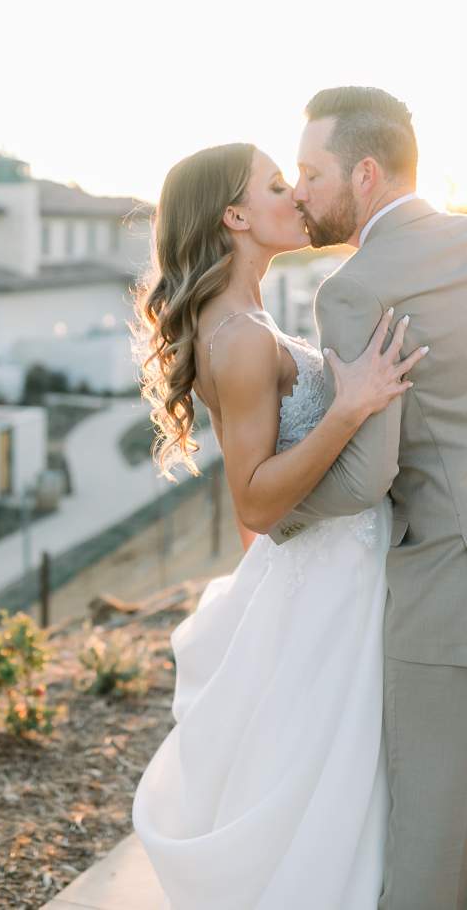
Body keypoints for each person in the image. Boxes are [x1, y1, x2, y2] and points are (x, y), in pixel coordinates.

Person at [130, 139, 426, 909]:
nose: (294, 194)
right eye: (273, 185)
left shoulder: (247, 317)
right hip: (331, 576)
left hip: (320, 574)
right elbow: (254, 501)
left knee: (336, 780)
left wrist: (265, 597)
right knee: (334, 788)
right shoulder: (238, 337)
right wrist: (350, 407)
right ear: (234, 217)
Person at [272, 86, 467, 910]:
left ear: (363, 173)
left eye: (309, 173)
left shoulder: (354, 289)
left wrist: (273, 510)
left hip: (446, 586)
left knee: (430, 846)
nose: (298, 192)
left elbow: (366, 475)